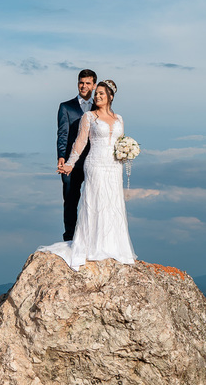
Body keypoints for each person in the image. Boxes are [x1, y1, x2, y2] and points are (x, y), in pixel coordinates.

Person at [40, 79, 136, 270]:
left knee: (113, 202)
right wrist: (69, 164)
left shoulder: (119, 119)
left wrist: (127, 152)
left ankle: (113, 246)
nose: (98, 96)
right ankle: (92, 246)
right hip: (95, 164)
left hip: (114, 166)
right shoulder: (89, 117)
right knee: (95, 201)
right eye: (97, 93)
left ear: (110, 96)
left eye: (101, 94)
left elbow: (120, 141)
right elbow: (80, 142)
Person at [57, 69, 96, 240]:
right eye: (81, 82)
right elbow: (62, 134)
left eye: (88, 83)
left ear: (94, 85)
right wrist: (61, 157)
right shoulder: (66, 107)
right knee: (71, 200)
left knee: (93, 200)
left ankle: (91, 236)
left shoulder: (100, 107)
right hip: (70, 163)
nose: (84, 86)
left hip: (94, 161)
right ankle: (70, 237)